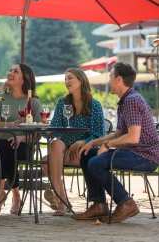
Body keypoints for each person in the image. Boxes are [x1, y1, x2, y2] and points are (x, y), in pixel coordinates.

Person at [72, 62, 159, 223]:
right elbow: (118, 133)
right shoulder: (124, 102)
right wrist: (94, 143)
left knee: (96, 163)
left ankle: (125, 203)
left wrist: (106, 145)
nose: (108, 81)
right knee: (87, 154)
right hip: (133, 152)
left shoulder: (132, 101)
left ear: (119, 80)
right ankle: (99, 205)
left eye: (110, 78)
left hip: (145, 156)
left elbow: (133, 137)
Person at [41, 68, 105, 216]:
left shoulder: (94, 105)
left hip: (84, 152)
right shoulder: (62, 102)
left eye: (70, 78)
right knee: (53, 147)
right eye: (65, 79)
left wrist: (81, 142)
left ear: (81, 80)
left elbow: (99, 135)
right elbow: (56, 129)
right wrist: (46, 128)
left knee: (47, 160)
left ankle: (59, 198)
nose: (66, 82)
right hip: (64, 151)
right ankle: (61, 198)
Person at [0, 63, 42, 215]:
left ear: (24, 79)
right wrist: (11, 124)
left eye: (15, 71)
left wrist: (22, 138)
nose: (10, 73)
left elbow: (38, 133)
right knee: (4, 147)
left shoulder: (33, 102)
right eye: (10, 70)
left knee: (6, 150)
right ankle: (12, 196)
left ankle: (1, 195)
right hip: (3, 147)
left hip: (25, 146)